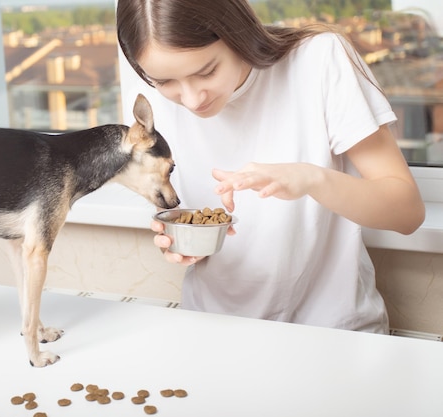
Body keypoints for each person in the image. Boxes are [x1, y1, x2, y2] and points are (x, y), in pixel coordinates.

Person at [116, 0, 425, 333]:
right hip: (212, 329)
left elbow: (406, 212)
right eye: (165, 82)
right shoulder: (146, 100)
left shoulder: (318, 60)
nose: (192, 100)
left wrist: (312, 179)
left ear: (236, 31)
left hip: (334, 333)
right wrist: (182, 240)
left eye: (206, 71)